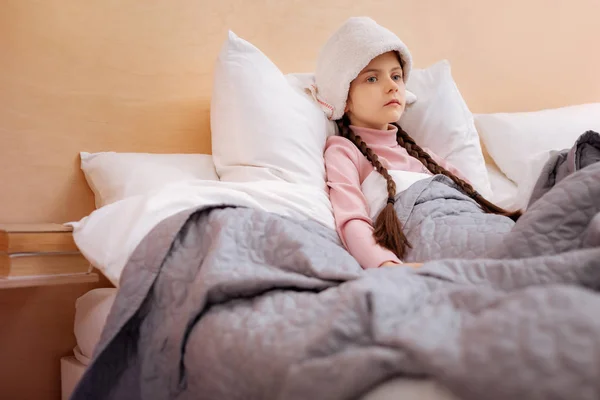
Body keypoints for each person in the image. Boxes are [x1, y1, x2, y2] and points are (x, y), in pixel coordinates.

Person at [313, 17, 520, 269]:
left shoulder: (424, 156)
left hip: (475, 224)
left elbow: (476, 205)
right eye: (372, 79)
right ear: (344, 97)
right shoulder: (344, 151)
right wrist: (386, 266)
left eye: (396, 76)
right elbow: (352, 219)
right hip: (434, 235)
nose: (392, 87)